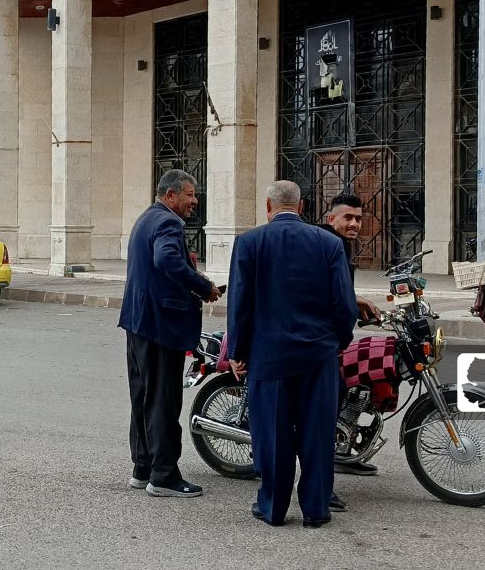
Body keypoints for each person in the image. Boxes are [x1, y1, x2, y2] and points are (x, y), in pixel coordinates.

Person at [228, 181, 358, 529]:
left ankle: (272, 508)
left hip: (269, 358)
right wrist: (338, 342)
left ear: (268, 207)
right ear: (300, 208)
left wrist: (238, 351)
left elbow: (239, 303)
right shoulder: (329, 243)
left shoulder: (249, 242)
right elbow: (344, 305)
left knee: (272, 435)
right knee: (318, 434)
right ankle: (316, 509)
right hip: (318, 357)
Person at [118, 169, 221, 499]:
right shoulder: (168, 222)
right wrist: (202, 285)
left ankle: (143, 467)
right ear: (170, 195)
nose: (194, 200)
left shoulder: (145, 218)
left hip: (138, 322)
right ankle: (163, 475)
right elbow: (166, 260)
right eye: (189, 194)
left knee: (143, 396)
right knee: (163, 399)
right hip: (161, 324)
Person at [316, 193, 380, 483]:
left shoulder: (339, 244)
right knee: (334, 393)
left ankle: (343, 450)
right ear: (332, 219)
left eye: (358, 218)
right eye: (348, 218)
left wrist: (358, 299)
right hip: (322, 339)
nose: (354, 223)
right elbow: (331, 297)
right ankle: (328, 462)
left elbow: (336, 289)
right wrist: (345, 333)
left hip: (328, 335)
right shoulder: (330, 245)